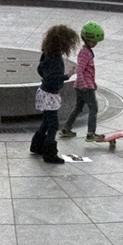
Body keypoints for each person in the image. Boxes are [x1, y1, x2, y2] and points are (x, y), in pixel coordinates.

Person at [30, 24, 79, 163]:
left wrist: (47, 78)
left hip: (43, 91)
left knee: (46, 121)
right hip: (50, 95)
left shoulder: (47, 53)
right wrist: (66, 76)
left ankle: (37, 145)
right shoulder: (56, 59)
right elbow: (54, 79)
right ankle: (49, 153)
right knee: (54, 124)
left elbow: (41, 70)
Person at [59, 22, 105, 143]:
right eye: (93, 42)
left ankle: (66, 129)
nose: (95, 44)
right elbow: (80, 69)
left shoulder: (87, 51)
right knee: (93, 108)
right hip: (85, 86)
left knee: (78, 108)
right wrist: (84, 84)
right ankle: (91, 133)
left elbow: (88, 72)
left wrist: (92, 83)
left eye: (96, 42)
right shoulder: (85, 53)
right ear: (86, 39)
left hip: (83, 85)